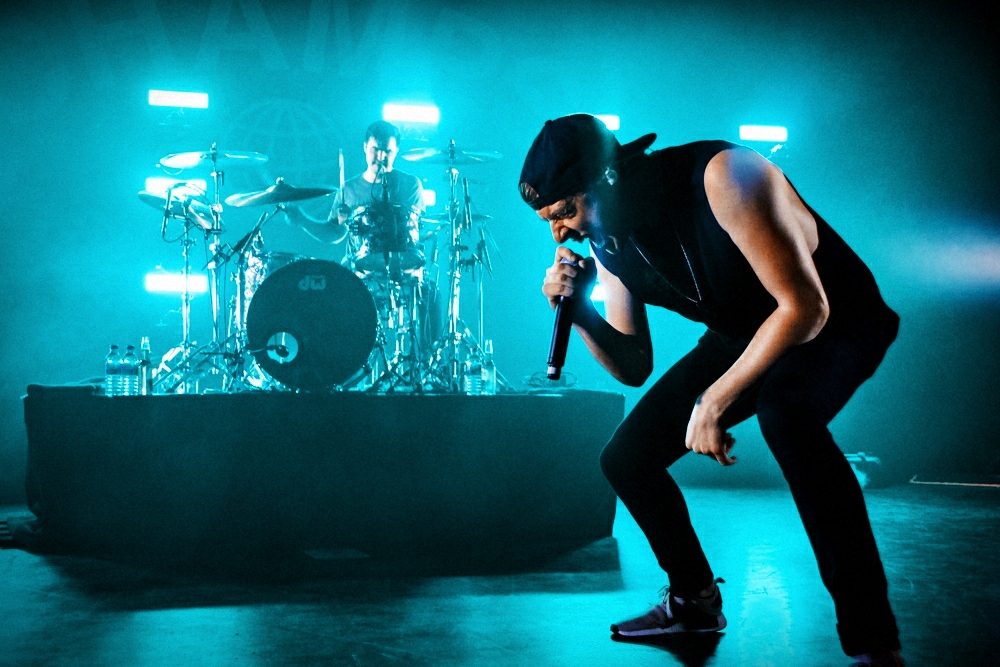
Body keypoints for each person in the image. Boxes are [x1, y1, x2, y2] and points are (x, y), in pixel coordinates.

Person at [519, 114, 904, 667]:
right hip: (743, 331)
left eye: (564, 212)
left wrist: (715, 399)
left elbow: (805, 307)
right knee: (626, 459)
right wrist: (580, 312)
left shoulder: (725, 175)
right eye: (549, 221)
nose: (560, 233)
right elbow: (633, 365)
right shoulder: (608, 241)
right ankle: (693, 601)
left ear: (606, 179)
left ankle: (875, 644)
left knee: (786, 413)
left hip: (837, 316)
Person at [290, 120, 424, 245]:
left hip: (400, 258)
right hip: (360, 261)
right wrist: (302, 220)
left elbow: (413, 230)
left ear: (396, 151)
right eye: (375, 149)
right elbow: (334, 233)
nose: (381, 156)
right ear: (365, 147)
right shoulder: (348, 189)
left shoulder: (410, 185)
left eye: (387, 151)